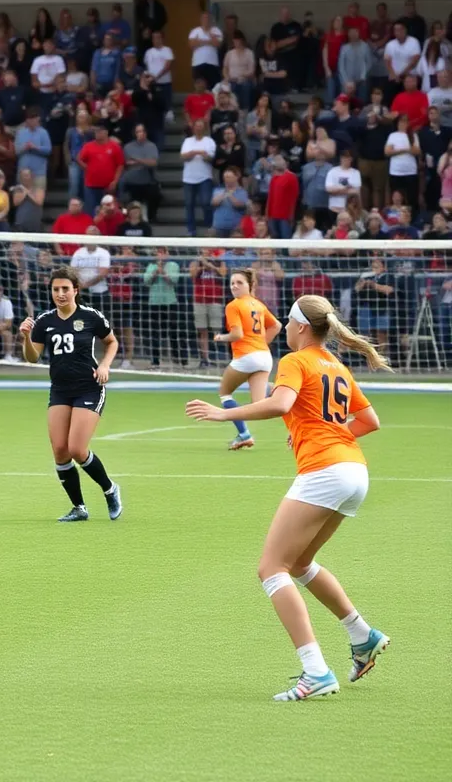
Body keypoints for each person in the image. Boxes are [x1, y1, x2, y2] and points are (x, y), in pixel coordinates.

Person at [185, 295, 391, 702]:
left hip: (326, 471)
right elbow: (370, 421)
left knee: (271, 569)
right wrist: (323, 432)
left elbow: (281, 403)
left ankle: (315, 671)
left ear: (298, 327)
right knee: (298, 563)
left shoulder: (296, 361)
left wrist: (224, 413)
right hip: (355, 471)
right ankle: (361, 635)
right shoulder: (335, 364)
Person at [19, 266, 123, 523]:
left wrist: (105, 365)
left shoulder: (91, 316)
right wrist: (25, 338)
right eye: (56, 289)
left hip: (89, 387)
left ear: (76, 290)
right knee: (60, 451)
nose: (61, 294)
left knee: (77, 449)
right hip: (60, 390)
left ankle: (110, 489)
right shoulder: (44, 321)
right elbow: (33, 358)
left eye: (65, 289)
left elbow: (111, 342)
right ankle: (79, 507)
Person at [212, 269, 282, 450]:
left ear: (250, 286)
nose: (234, 286)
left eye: (239, 283)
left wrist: (221, 337)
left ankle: (244, 434)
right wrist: (260, 343)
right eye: (232, 282)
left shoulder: (233, 305)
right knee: (260, 405)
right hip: (264, 356)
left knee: (225, 394)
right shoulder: (257, 304)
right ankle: (288, 393)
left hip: (247, 357)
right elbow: (276, 326)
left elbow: (237, 335)